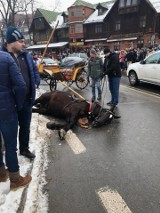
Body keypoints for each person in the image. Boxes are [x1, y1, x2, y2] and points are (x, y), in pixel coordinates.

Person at [2, 26, 40, 159]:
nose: (24, 44)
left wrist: (36, 81)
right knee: (10, 130)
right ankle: (10, 152)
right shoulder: (2, 57)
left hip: (26, 100)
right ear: (11, 42)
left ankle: (24, 149)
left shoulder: (26, 55)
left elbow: (34, 70)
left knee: (25, 127)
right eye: (21, 41)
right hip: (10, 102)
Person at [0, 50, 32, 190]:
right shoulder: (6, 58)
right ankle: (15, 179)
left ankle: (1, 173)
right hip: (7, 110)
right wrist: (18, 104)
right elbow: (21, 85)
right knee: (10, 146)